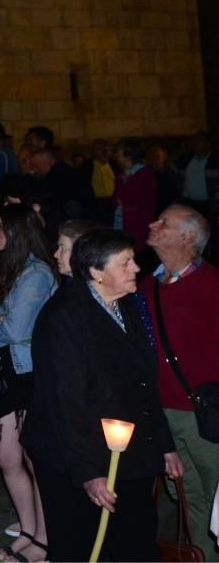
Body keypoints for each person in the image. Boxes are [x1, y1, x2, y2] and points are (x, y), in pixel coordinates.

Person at [27, 229, 183, 562]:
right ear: (97, 272)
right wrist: (89, 472)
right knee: (80, 547)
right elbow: (65, 401)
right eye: (126, 263)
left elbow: (144, 381)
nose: (136, 268)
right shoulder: (63, 317)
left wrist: (164, 444)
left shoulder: (124, 305)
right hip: (75, 456)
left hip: (129, 450)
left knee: (136, 542)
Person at [0, 203, 57, 562]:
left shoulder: (37, 274)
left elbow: (15, 329)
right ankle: (28, 528)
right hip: (5, 374)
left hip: (31, 375)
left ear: (18, 232)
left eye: (0, 227)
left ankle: (44, 537)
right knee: (7, 457)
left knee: (33, 457)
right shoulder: (5, 268)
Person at [142, 205, 219, 558]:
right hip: (163, 415)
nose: (152, 225)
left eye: (164, 223)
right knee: (191, 502)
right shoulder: (144, 286)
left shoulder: (212, 284)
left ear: (187, 237)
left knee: (217, 497)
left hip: (206, 416)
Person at [112, 138, 158, 252]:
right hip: (122, 221)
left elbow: (132, 201)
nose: (115, 155)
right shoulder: (122, 174)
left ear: (128, 154)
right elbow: (115, 198)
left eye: (118, 151)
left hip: (137, 224)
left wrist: (123, 200)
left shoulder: (144, 174)